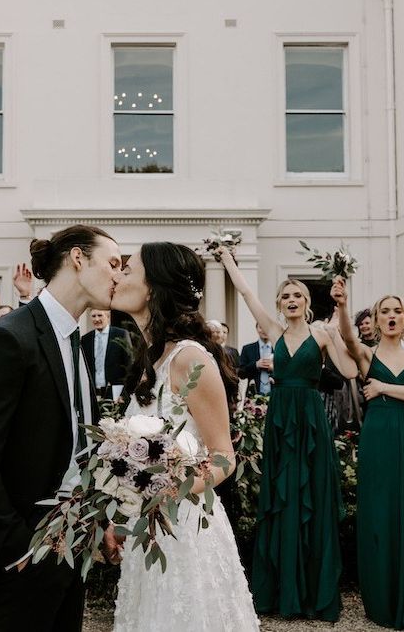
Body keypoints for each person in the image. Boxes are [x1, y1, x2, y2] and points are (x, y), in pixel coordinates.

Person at [0, 224, 121, 632]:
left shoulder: (75, 340)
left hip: (75, 543)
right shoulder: (7, 339)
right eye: (112, 264)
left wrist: (101, 521)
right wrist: (19, 548)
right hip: (25, 552)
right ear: (78, 259)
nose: (118, 275)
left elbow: (77, 448)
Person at [104, 242, 259, 631]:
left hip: (185, 528)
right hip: (145, 529)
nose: (118, 275)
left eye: (128, 269)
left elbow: (224, 455)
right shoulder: (149, 359)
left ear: (153, 287)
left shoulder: (190, 359)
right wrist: (120, 514)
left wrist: (172, 489)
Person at [218, 247, 356, 621]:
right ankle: (282, 591)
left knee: (312, 491)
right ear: (279, 304)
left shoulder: (322, 332)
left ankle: (313, 591)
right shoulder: (275, 331)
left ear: (308, 302)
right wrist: (228, 259)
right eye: (285, 295)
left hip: (310, 418)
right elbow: (247, 295)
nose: (291, 300)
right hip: (281, 418)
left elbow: (348, 370)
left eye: (297, 295)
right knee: (283, 494)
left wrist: (342, 315)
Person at [331, 279, 404, 629]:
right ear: (375, 320)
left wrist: (384, 387)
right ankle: (379, 597)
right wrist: (343, 304)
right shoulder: (367, 354)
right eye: (384, 311)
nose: (391, 316)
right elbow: (346, 337)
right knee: (378, 510)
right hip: (376, 437)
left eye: (397, 311)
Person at [81, 309, 132, 399]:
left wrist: (125, 393)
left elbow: (130, 365)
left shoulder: (121, 334)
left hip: (116, 393)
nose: (96, 319)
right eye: (93, 316)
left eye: (100, 315)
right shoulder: (85, 339)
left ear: (108, 317)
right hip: (92, 393)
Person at [238, 322, 273, 396]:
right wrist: (255, 365)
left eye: (267, 327)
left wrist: (274, 368)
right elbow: (241, 373)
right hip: (253, 395)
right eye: (261, 327)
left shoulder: (279, 349)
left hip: (275, 394)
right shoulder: (247, 349)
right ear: (257, 329)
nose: (264, 330)